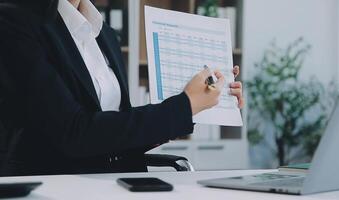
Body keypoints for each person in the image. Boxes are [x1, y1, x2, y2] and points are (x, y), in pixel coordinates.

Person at [0, 0, 244, 176]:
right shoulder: (14, 22)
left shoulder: (103, 32)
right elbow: (72, 134)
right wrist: (183, 106)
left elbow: (116, 133)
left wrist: (201, 104)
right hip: (60, 183)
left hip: (117, 181)